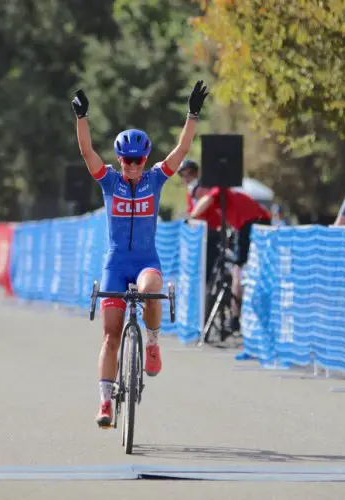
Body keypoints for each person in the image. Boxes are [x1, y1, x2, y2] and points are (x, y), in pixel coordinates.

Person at [72, 80, 209, 428]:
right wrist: (82, 117)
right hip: (115, 263)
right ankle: (104, 402)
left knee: (150, 289)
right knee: (110, 335)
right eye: (126, 160)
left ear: (144, 159)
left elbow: (182, 148)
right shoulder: (109, 182)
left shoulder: (155, 179)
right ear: (119, 160)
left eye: (137, 160)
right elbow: (88, 153)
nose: (132, 166)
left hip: (146, 259)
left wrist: (192, 114)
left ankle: (152, 342)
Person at [187, 183, 271, 333]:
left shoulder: (217, 190)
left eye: (197, 193)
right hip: (246, 225)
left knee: (240, 268)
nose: (196, 196)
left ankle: (236, 316)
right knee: (237, 268)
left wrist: (190, 217)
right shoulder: (219, 203)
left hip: (255, 222)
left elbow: (205, 201)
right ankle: (235, 316)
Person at [176, 159, 222, 285]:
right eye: (182, 175)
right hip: (200, 235)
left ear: (197, 173)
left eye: (189, 173)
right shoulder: (190, 192)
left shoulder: (203, 188)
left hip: (212, 232)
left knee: (208, 268)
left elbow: (205, 207)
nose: (186, 178)